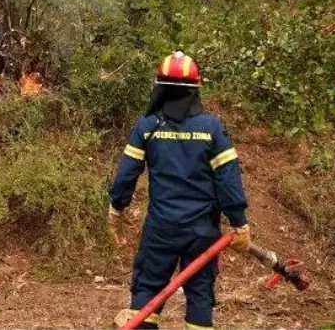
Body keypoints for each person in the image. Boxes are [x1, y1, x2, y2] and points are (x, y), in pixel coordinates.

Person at [108, 51, 251, 330]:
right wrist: (239, 221)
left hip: (161, 229)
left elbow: (127, 174)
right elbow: (228, 178)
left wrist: (117, 207)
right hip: (202, 231)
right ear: (195, 89)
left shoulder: (147, 127)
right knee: (199, 293)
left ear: (160, 88)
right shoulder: (212, 129)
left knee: (147, 290)